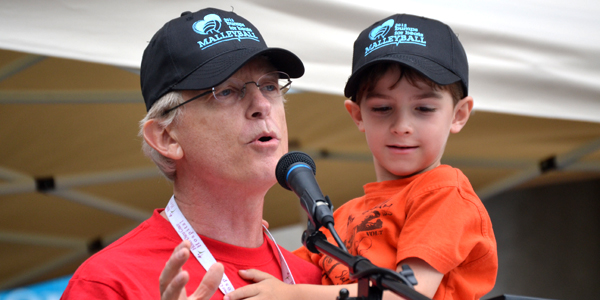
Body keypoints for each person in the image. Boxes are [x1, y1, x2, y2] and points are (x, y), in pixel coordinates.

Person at [223, 14, 498, 300]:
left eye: (424, 109)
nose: (402, 127)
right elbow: (280, 272)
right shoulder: (338, 219)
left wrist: (294, 296)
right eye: (382, 108)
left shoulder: (444, 193)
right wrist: (256, 240)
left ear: (459, 114)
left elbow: (406, 294)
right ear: (357, 115)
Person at [60, 7, 322, 300]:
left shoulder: (313, 282)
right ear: (167, 136)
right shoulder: (108, 282)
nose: (262, 104)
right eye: (225, 91)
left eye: (270, 86)